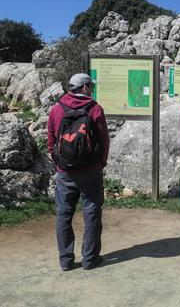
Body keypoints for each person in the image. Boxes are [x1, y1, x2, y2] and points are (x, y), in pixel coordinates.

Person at [47, 73, 109, 271]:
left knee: (64, 214)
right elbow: (104, 139)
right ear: (84, 88)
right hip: (91, 170)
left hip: (65, 171)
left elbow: (51, 140)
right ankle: (90, 259)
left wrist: (58, 161)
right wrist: (101, 162)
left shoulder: (57, 109)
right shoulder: (95, 109)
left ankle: (66, 261)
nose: (92, 89)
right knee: (91, 212)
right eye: (90, 86)